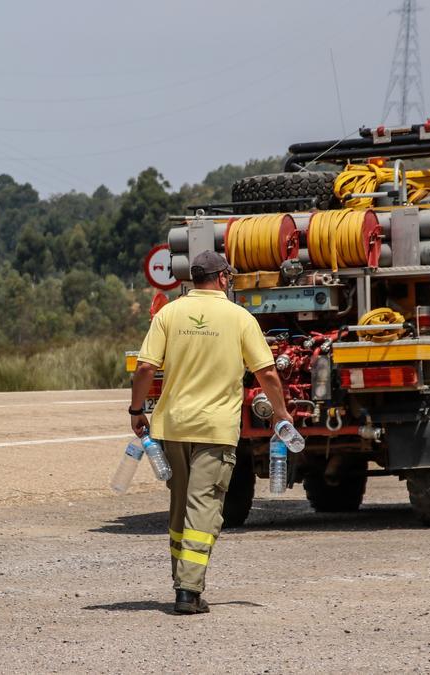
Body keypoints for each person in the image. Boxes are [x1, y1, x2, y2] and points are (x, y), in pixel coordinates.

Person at [129, 250, 293, 614]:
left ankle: (182, 581)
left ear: (192, 279)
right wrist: (281, 413)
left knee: (180, 506)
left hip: (172, 427)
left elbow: (144, 368)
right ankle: (188, 591)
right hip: (214, 429)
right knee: (203, 507)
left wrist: (136, 410)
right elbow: (265, 372)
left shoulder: (169, 314)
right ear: (222, 279)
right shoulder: (239, 318)